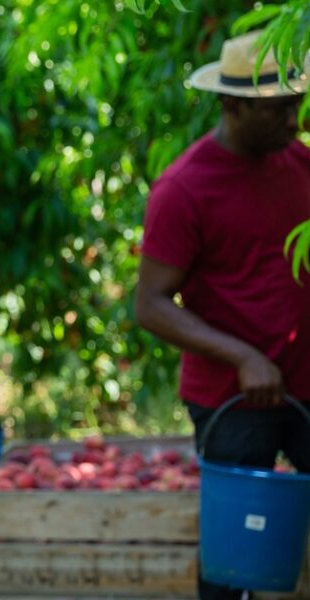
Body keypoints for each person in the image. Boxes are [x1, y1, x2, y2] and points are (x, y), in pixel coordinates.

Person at [134, 31, 310, 600]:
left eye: (295, 107)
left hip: (306, 381)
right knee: (235, 556)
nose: (293, 121)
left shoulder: (302, 164)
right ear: (232, 105)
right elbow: (151, 304)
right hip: (232, 395)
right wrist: (242, 355)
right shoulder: (185, 188)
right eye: (279, 109)